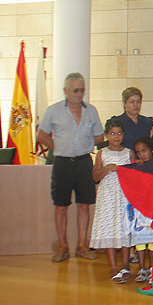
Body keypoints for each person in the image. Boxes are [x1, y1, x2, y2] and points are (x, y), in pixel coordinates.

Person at [37, 72, 104, 263]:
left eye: (82, 90)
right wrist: (57, 148)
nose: (79, 94)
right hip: (62, 163)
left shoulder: (91, 110)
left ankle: (82, 245)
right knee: (61, 206)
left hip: (84, 162)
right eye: (75, 90)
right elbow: (41, 135)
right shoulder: (53, 110)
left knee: (84, 205)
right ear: (66, 91)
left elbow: (99, 136)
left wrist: (84, 143)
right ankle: (63, 246)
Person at [90, 118, 136, 283]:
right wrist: (106, 169)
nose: (116, 137)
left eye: (119, 133)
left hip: (124, 194)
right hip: (108, 195)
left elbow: (134, 174)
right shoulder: (102, 153)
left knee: (124, 228)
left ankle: (125, 265)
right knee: (109, 226)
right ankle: (112, 266)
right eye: (113, 133)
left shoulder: (128, 153)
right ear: (106, 135)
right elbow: (95, 176)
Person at [129, 136, 153, 283]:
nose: (141, 155)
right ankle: (142, 268)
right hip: (139, 208)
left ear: (151, 149)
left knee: (152, 240)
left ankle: (152, 267)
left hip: (152, 208)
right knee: (139, 240)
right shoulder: (136, 166)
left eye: (144, 151)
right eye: (138, 152)